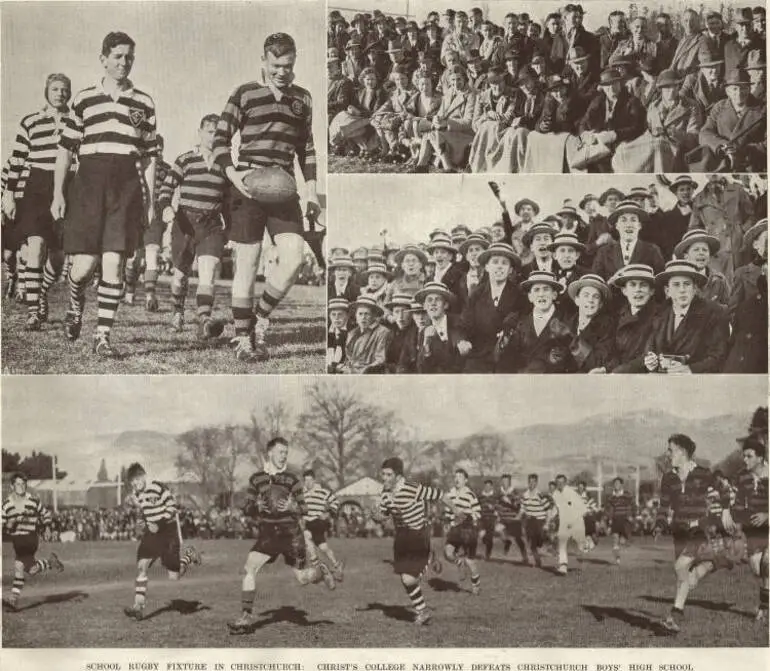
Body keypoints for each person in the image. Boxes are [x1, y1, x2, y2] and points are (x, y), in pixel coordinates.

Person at [213, 33, 321, 362]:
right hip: (247, 183)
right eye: (275, 65)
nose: (282, 72)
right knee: (246, 264)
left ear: (295, 62)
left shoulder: (302, 98)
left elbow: (307, 149)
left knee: (294, 258)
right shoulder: (244, 93)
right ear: (263, 61)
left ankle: (260, 316)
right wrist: (234, 175)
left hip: (284, 187)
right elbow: (220, 138)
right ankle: (243, 339)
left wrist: (312, 191)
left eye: (288, 65)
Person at [52, 32, 158, 357]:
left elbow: (150, 156)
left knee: (114, 262)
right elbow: (66, 151)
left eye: (129, 57)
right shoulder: (84, 98)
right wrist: (58, 193)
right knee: (84, 266)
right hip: (88, 184)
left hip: (125, 186)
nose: (123, 62)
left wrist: (150, 200)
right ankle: (74, 300)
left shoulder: (144, 102)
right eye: (117, 56)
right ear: (103, 59)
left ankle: (102, 337)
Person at [229, 438, 335, 634]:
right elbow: (246, 508)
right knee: (249, 569)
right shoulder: (256, 479)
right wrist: (256, 507)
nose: (284, 455)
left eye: (286, 452)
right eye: (280, 452)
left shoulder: (292, 480)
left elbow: (304, 508)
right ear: (270, 453)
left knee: (303, 578)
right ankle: (245, 617)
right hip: (268, 534)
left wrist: (292, 506)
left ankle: (321, 571)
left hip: (290, 534)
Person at [4, 73, 72, 331]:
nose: (60, 94)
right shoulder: (30, 121)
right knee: (36, 247)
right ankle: (33, 310)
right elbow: (17, 159)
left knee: (58, 257)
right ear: (47, 91)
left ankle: (42, 290)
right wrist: (9, 194)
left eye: (65, 90)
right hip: (36, 187)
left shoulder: (77, 121)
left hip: (67, 186)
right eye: (55, 89)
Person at [158, 115, 228, 338]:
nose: (214, 137)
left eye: (218, 133)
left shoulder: (226, 165)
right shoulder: (185, 160)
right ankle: (177, 310)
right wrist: (166, 207)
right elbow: (167, 188)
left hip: (212, 225)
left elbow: (229, 201)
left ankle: (204, 320)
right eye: (210, 132)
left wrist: (233, 230)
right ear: (200, 132)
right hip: (185, 223)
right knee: (180, 276)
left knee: (208, 273)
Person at [656, 434, 718, 634]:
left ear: (682, 452)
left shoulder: (703, 473)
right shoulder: (668, 477)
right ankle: (709, 565)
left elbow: (723, 492)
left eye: (670, 450)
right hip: (679, 532)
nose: (667, 454)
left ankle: (676, 613)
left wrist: (722, 512)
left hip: (698, 530)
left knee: (680, 567)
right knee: (684, 574)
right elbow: (663, 505)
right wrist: (659, 524)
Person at [122, 463, 202, 620]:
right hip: (152, 535)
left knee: (175, 576)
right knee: (142, 566)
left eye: (137, 482)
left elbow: (172, 507)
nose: (136, 486)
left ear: (143, 477)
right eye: (133, 484)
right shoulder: (137, 495)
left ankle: (189, 555)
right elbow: (144, 512)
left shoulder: (157, 487)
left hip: (168, 533)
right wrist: (142, 522)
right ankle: (138, 607)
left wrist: (159, 523)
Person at [379, 456, 447, 625]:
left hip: (418, 535)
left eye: (388, 475)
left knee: (408, 578)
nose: (384, 478)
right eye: (383, 474)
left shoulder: (412, 488)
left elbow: (440, 495)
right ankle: (422, 610)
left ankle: (422, 610)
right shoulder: (386, 492)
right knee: (405, 578)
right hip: (402, 537)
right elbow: (384, 515)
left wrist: (457, 512)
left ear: (397, 475)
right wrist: (376, 517)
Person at [640, 260, 730, 374]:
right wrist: (650, 361)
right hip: (663, 381)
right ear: (668, 291)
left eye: (687, 284)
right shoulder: (658, 313)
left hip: (699, 382)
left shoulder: (714, 313)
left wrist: (690, 369)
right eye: (676, 285)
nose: (682, 290)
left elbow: (719, 356)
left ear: (694, 289)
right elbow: (650, 349)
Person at [1, 472, 63, 611]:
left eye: (23, 484)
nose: (21, 487)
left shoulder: (33, 501)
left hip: (29, 538)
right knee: (29, 569)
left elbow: (46, 514)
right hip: (17, 540)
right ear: (12, 486)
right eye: (18, 484)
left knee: (20, 566)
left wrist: (47, 527)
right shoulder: (6, 505)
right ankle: (49, 563)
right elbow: (2, 524)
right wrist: (8, 524)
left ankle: (13, 599)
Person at [723, 436, 768, 623]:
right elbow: (733, 497)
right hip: (754, 530)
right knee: (758, 569)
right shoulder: (743, 476)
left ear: (760, 458)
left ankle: (762, 610)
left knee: (768, 564)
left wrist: (767, 515)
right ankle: (765, 605)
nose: (745, 459)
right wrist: (727, 511)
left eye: (749, 456)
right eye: (744, 456)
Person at [124, 134, 170, 311]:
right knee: (134, 258)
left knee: (152, 253)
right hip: (136, 213)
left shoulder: (167, 169)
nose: (157, 151)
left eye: (160, 147)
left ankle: (150, 295)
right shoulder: (137, 166)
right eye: (154, 147)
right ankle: (129, 293)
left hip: (156, 214)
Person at [461, 242, 521, 373]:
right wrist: (464, 341)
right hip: (479, 355)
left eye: (504, 263)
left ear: (510, 269)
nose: (499, 266)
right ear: (487, 267)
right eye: (495, 262)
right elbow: (465, 325)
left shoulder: (519, 294)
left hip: (507, 357)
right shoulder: (476, 294)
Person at [496, 270, 572, 374]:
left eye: (546, 289)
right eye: (536, 290)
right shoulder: (519, 323)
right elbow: (507, 360)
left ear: (554, 295)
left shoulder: (566, 321)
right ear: (530, 297)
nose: (541, 294)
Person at [692, 69, 767, 173]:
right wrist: (723, 147)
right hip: (722, 162)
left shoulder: (763, 109)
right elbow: (705, 133)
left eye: (744, 88)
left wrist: (743, 151)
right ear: (727, 91)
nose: (739, 93)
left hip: (751, 164)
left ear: (750, 89)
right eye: (735, 89)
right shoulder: (719, 107)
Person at [724, 219, 768, 373]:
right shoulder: (743, 273)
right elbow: (733, 311)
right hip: (752, 338)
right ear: (756, 245)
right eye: (766, 240)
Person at [591, 199, 665, 281]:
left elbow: (660, 282)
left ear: (639, 225)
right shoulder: (603, 252)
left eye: (633, 220)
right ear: (617, 226)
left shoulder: (652, 250)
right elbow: (596, 283)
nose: (629, 225)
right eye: (623, 220)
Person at [603, 264, 658, 373]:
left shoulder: (659, 316)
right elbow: (613, 351)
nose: (638, 290)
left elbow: (649, 354)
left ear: (651, 291)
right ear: (624, 291)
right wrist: (605, 369)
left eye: (643, 285)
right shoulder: (619, 316)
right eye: (632, 285)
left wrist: (618, 372)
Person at [414, 281, 470, 374]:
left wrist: (463, 344)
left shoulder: (458, 322)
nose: (433, 304)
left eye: (438, 299)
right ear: (424, 306)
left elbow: (459, 337)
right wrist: (426, 345)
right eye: (429, 300)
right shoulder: (423, 332)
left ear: (446, 305)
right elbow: (422, 370)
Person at [564, 274, 614, 373]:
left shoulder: (607, 326)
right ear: (577, 300)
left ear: (600, 304)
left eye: (595, 297)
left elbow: (598, 361)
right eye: (586, 295)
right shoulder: (568, 323)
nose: (590, 300)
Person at [302, 469, 344, 582]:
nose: (308, 483)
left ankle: (326, 566)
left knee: (314, 542)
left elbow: (335, 502)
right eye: (306, 481)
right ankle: (328, 565)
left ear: (314, 480)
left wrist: (328, 513)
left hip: (318, 522)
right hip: (308, 522)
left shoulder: (322, 492)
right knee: (315, 543)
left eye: (310, 480)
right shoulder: (303, 494)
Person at [444, 468, 482, 594]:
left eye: (460, 477)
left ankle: (476, 583)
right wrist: (448, 522)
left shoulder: (470, 494)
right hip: (455, 529)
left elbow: (477, 512)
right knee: (447, 553)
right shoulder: (450, 494)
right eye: (456, 476)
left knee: (470, 561)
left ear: (465, 480)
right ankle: (459, 562)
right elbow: (447, 511)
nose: (457, 479)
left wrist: (471, 520)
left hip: (468, 529)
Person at [673, 229, 729, 307]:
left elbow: (728, 309)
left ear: (709, 256)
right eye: (696, 250)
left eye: (705, 250)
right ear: (686, 256)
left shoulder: (719, 280)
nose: (701, 253)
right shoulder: (678, 281)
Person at [549, 474, 587, 575]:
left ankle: (587, 546)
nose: (560, 484)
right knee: (562, 542)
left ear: (566, 483)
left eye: (562, 482)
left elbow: (583, 510)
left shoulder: (571, 493)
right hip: (564, 523)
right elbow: (556, 509)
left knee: (579, 547)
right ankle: (563, 566)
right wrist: (550, 519)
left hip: (577, 521)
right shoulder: (555, 494)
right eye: (558, 482)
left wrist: (573, 521)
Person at [344, 295, 392, 374]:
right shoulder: (352, 333)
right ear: (355, 316)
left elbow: (380, 360)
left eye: (367, 314)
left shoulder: (382, 332)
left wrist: (363, 371)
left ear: (373, 316)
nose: (363, 317)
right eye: (360, 314)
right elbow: (349, 358)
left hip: (372, 373)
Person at [520, 473, 550, 568]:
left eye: (533, 482)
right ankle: (538, 561)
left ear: (536, 483)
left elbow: (548, 509)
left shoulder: (540, 494)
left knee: (539, 541)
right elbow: (522, 509)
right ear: (528, 483)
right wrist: (518, 518)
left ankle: (546, 544)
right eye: (530, 482)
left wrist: (547, 523)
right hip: (530, 521)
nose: (531, 484)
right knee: (532, 544)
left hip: (540, 521)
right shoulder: (525, 495)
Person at [605, 477, 636, 565]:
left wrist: (631, 516)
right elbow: (609, 510)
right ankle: (617, 559)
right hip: (615, 520)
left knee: (623, 542)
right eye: (615, 484)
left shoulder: (627, 495)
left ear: (622, 485)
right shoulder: (611, 497)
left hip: (625, 520)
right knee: (615, 540)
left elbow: (634, 506)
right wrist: (610, 520)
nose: (616, 485)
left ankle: (627, 540)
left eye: (618, 483)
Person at [327, 297, 349, 373]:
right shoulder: (329, 332)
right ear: (329, 316)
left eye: (340, 314)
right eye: (333, 314)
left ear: (347, 316)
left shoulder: (350, 334)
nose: (336, 318)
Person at [478, 479, 498, 560]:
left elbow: (498, 506)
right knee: (481, 534)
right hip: (482, 518)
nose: (487, 488)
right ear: (484, 486)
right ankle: (484, 540)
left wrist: (493, 507)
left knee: (490, 537)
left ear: (491, 487)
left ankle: (488, 554)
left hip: (491, 518)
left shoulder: (495, 496)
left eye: (489, 486)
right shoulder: (480, 496)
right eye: (486, 486)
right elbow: (476, 505)